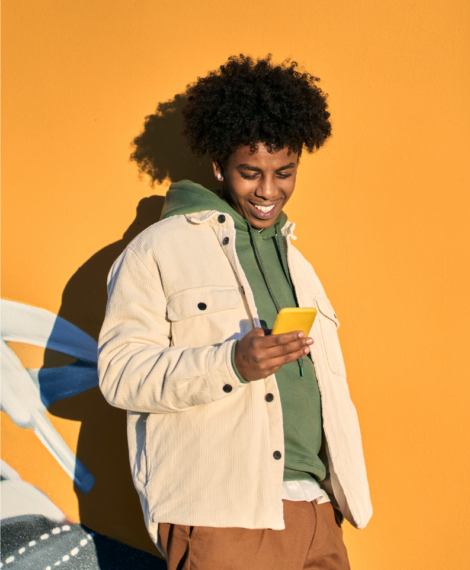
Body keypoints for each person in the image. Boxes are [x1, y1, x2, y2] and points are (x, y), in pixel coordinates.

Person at [98, 55, 372, 570]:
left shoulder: (299, 263)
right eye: (251, 173)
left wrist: (334, 503)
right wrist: (231, 364)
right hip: (224, 516)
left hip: (316, 514)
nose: (269, 191)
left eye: (284, 173)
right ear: (220, 166)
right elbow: (120, 375)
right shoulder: (157, 250)